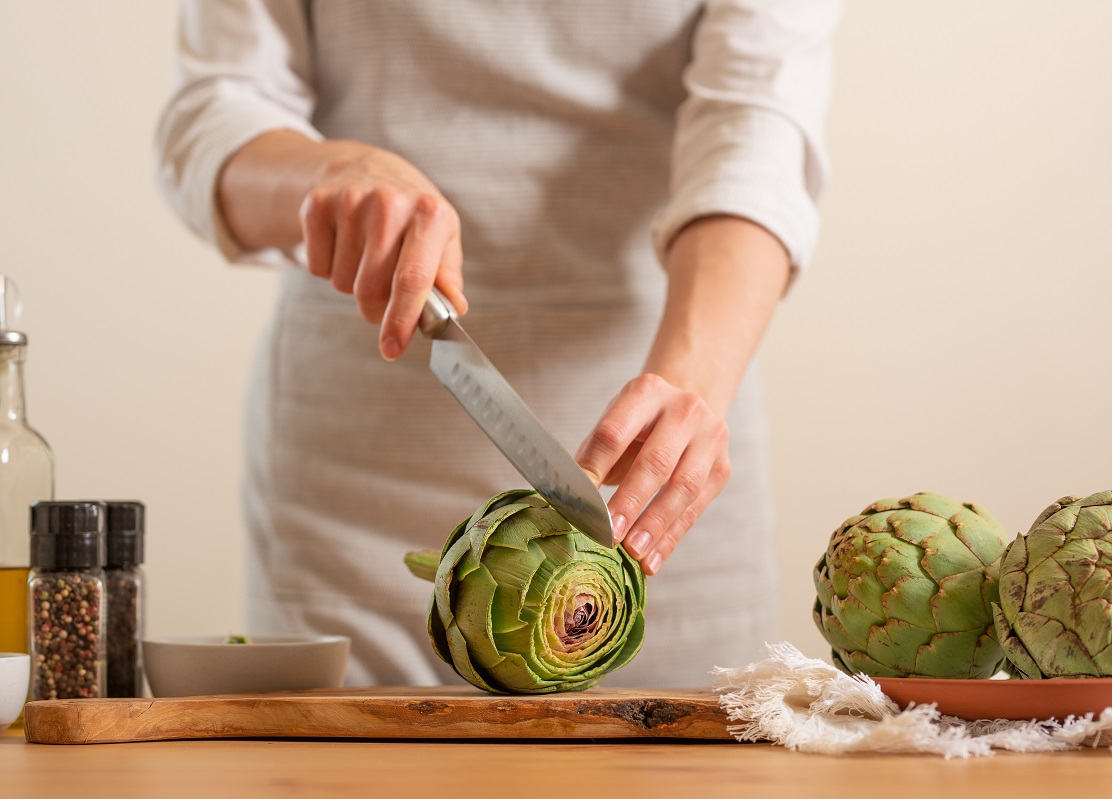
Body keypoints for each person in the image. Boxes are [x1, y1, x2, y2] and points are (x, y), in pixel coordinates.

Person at [155, 0, 839, 687]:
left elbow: (759, 126)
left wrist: (691, 381)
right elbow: (218, 107)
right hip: (353, 495)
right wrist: (326, 174)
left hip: (661, 477)